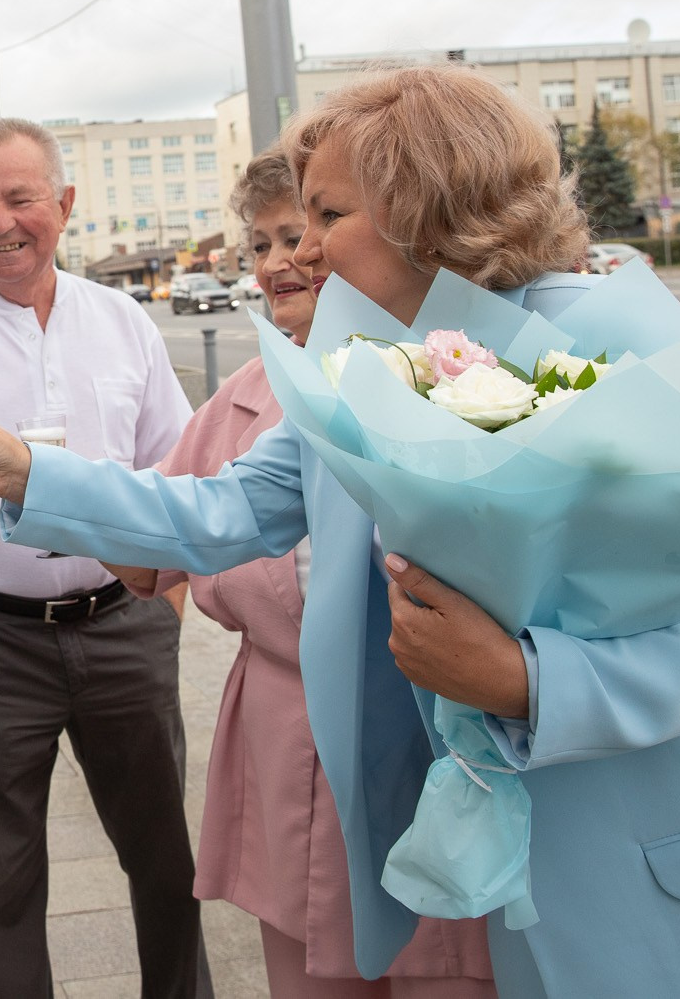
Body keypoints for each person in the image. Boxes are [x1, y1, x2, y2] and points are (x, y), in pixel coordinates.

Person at [0, 67, 680, 999]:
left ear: (426, 209)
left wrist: (522, 683)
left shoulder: (623, 343)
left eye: (328, 217)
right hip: (524, 890)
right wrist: (17, 469)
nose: (297, 252)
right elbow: (211, 512)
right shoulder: (366, 368)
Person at [108, 151, 494, 999]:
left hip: (430, 749)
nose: (285, 257)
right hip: (284, 745)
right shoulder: (245, 395)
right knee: (310, 970)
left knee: (445, 966)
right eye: (264, 241)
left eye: (307, 232)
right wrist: (43, 479)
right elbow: (153, 548)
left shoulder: (451, 376)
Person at [0, 117, 211, 999]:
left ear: (63, 204)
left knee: (165, 862)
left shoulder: (124, 323)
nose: (0, 222)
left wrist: (164, 609)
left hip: (123, 625)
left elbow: (175, 468)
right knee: (2, 882)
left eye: (20, 198)